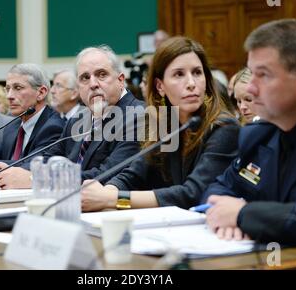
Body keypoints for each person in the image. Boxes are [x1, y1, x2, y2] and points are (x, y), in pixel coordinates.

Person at [201, 19, 296, 245]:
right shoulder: (259, 133)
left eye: (263, 75)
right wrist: (227, 217)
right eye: (251, 74)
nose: (250, 87)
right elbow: (217, 188)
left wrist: (244, 216)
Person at [81, 37, 240, 212]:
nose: (191, 84)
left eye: (197, 72)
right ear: (160, 86)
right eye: (179, 74)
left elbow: (192, 194)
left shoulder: (224, 127)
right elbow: (135, 174)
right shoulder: (165, 124)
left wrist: (111, 199)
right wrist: (105, 192)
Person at [0, 45, 144, 189]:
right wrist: (12, 171)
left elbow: (107, 174)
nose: (93, 84)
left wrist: (34, 179)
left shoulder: (139, 115)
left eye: (101, 75)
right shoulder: (79, 119)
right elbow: (49, 158)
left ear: (121, 80)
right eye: (85, 78)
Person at [0, 64, 65, 175]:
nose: (9, 96)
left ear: (41, 93)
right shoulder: (13, 125)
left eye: (18, 88)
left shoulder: (54, 127)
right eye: (7, 89)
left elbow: (30, 165)